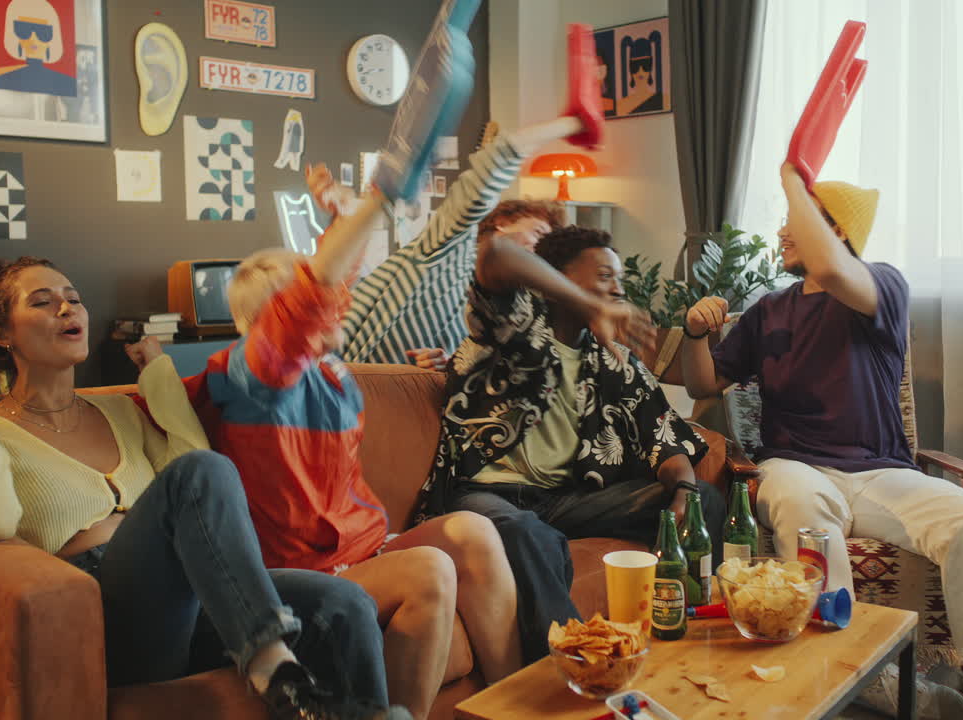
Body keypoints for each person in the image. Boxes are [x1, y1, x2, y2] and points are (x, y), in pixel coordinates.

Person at [0, 254, 408, 720]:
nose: (68, 308)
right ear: (2, 333)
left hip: (186, 596)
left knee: (343, 604)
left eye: (74, 297)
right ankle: (272, 665)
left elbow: (196, 466)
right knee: (199, 472)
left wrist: (156, 372)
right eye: (42, 302)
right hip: (101, 611)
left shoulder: (120, 412)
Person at [680, 162, 963, 720]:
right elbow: (702, 383)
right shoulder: (769, 309)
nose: (782, 231)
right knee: (803, 507)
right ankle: (857, 669)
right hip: (792, 465)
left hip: (880, 472)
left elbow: (834, 273)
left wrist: (794, 177)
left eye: (797, 220)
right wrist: (697, 332)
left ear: (836, 230)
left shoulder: (882, 285)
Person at [185, 186, 522, 719]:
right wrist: (373, 204)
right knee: (430, 569)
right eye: (312, 302)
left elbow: (332, 283)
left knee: (472, 531)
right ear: (278, 323)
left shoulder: (328, 374)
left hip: (358, 549)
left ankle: (516, 705)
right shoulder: (246, 381)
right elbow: (312, 297)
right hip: (300, 572)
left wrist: (344, 222)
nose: (338, 301)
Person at [416, 224, 726, 664]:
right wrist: (589, 303)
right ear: (557, 278)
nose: (616, 287)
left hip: (565, 501)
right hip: (486, 495)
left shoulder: (611, 357)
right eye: (603, 275)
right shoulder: (514, 328)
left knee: (705, 502)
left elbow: (663, 433)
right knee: (529, 534)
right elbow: (496, 254)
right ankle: (573, 668)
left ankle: (689, 635)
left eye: (617, 277)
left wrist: (683, 492)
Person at [308, 50, 605, 371]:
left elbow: (475, 372)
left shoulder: (513, 304)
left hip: (396, 403)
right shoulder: (450, 247)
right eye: (537, 232)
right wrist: (573, 121)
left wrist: (444, 364)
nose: (538, 247)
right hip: (340, 390)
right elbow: (496, 162)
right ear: (502, 223)